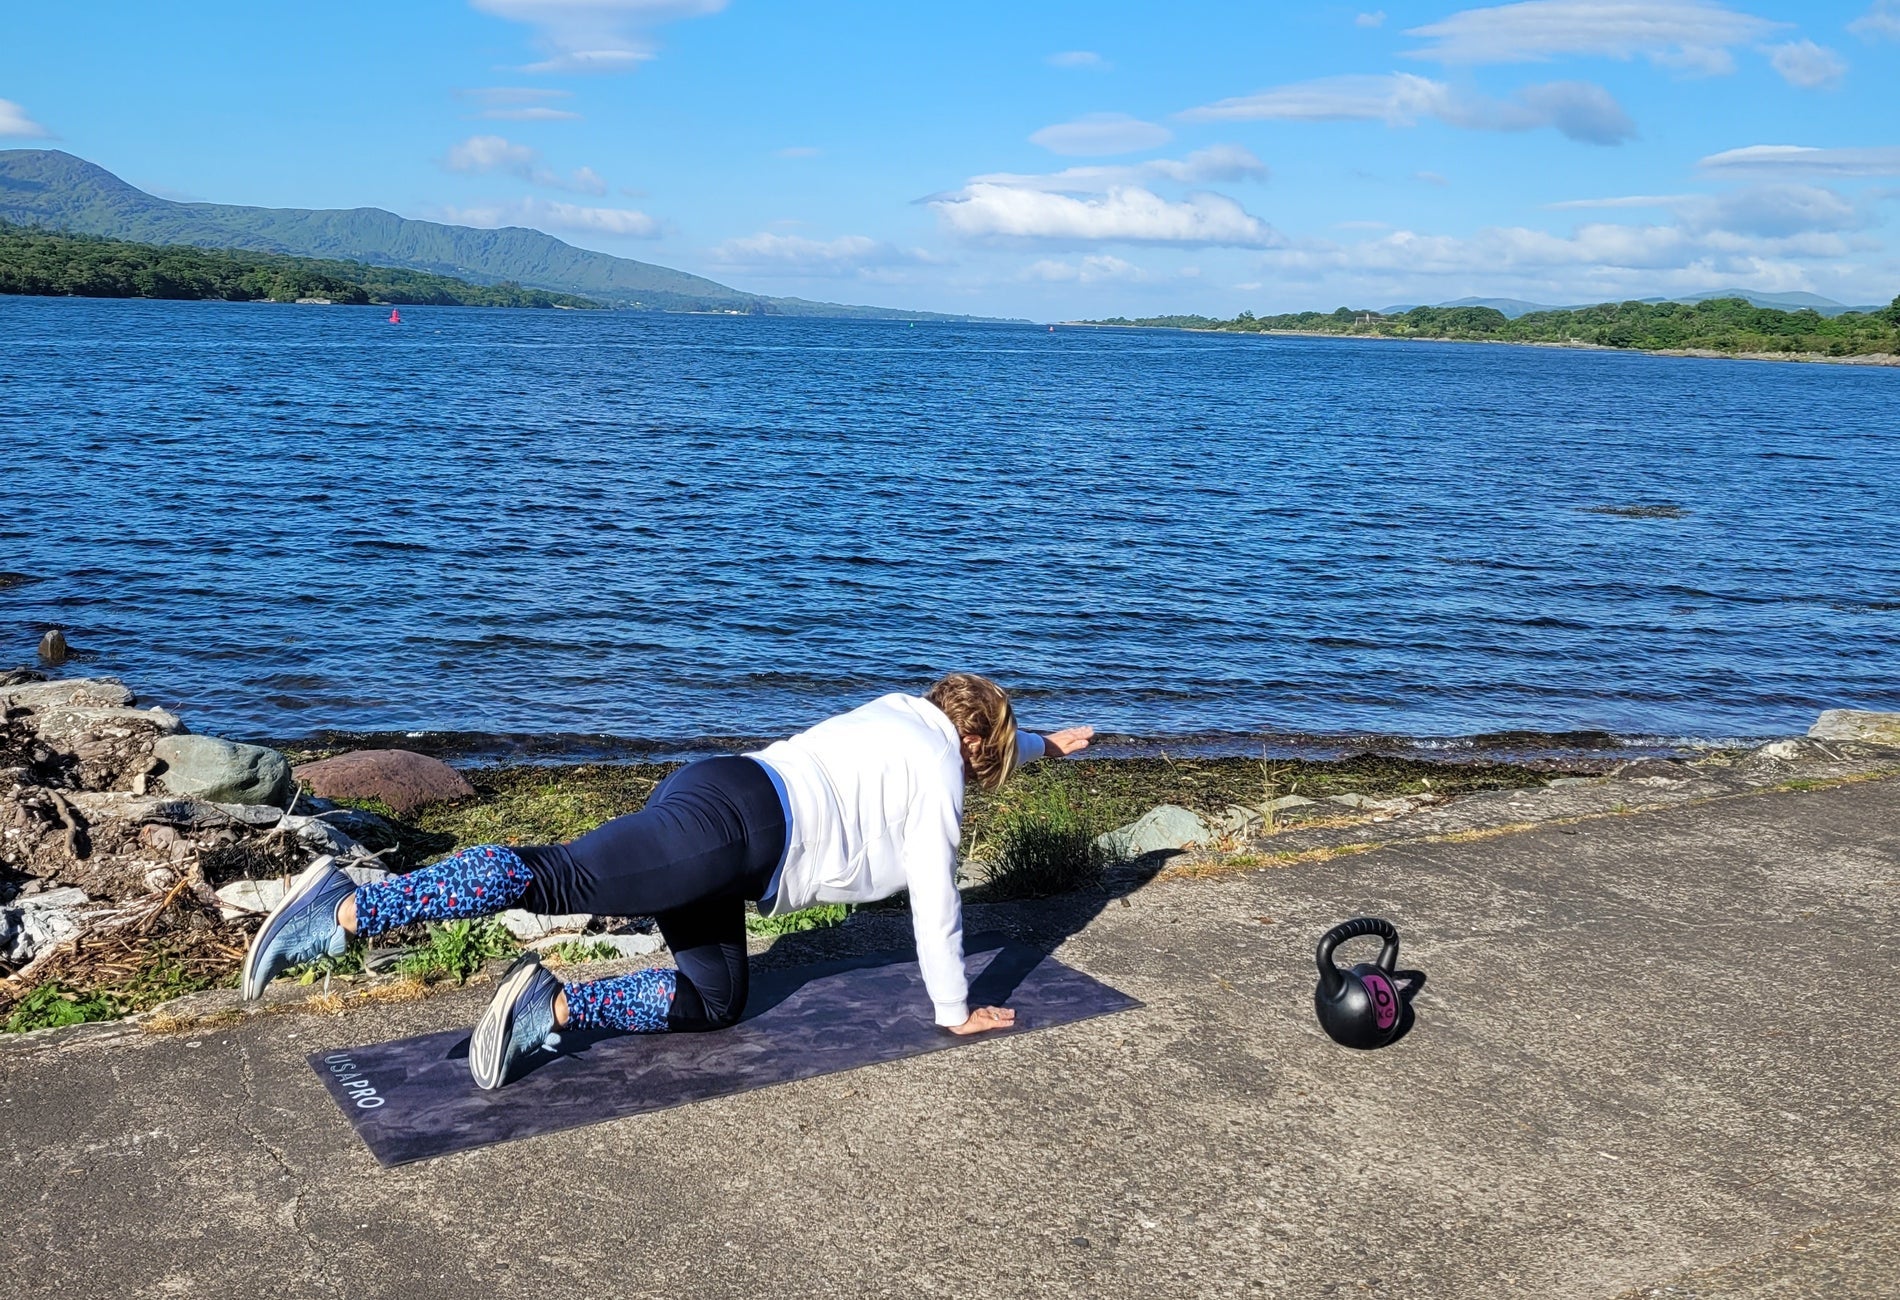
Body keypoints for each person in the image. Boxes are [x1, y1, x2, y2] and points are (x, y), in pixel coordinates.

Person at [241, 673, 1093, 1089]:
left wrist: (1047, 744)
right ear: (976, 748)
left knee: (717, 1000)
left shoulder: (906, 712)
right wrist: (953, 1010)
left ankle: (554, 1006)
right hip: (734, 830)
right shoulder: (941, 773)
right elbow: (937, 900)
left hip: (726, 803)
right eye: (997, 757)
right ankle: (352, 905)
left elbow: (986, 739)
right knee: (557, 874)